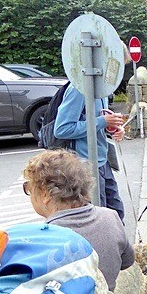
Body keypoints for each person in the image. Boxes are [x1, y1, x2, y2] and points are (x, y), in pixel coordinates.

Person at [23, 149, 133, 291]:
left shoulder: (41, 239)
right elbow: (127, 261)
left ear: (45, 193)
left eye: (28, 188)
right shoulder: (110, 216)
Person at [53, 78, 126, 221]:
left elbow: (96, 123)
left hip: (102, 160)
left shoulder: (102, 88)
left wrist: (113, 128)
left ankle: (115, 243)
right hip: (84, 164)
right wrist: (102, 121)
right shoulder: (79, 89)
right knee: (98, 218)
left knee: (116, 213)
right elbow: (62, 129)